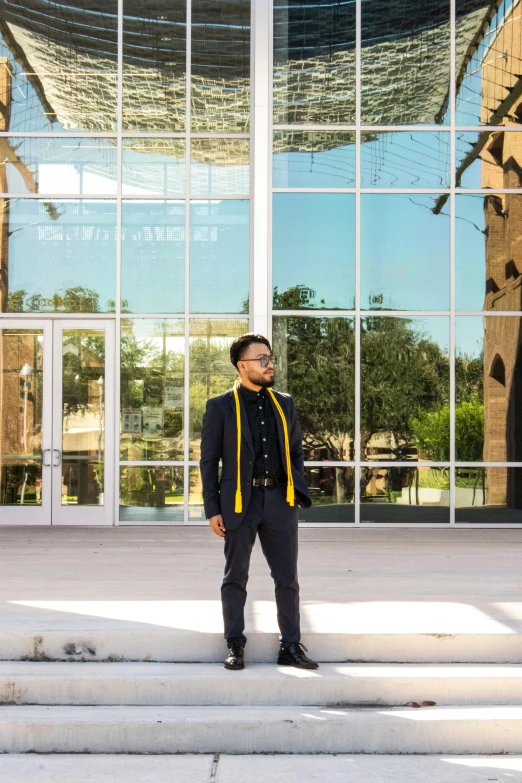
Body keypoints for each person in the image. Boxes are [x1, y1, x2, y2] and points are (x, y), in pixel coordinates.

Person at [200, 332, 318, 671]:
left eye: (270, 358)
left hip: (280, 500)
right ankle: (235, 645)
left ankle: (291, 646)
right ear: (242, 366)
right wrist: (212, 509)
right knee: (235, 576)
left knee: (287, 578)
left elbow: (295, 451)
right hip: (239, 503)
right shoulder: (220, 407)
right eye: (261, 359)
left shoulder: (285, 403)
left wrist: (295, 490)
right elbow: (209, 462)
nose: (269, 364)